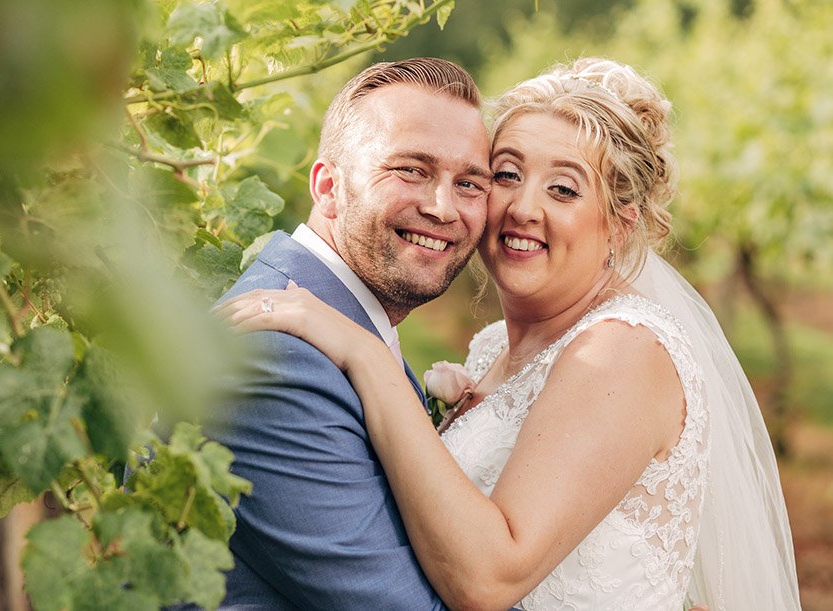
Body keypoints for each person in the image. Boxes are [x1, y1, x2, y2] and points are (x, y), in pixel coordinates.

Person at [219, 58, 801, 609]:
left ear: (620, 225)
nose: (522, 207)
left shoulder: (623, 349)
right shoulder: (493, 349)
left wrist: (368, 359)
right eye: (506, 175)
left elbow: (489, 578)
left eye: (564, 189)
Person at [206, 57, 491, 608]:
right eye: (411, 169)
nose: (442, 207)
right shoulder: (272, 361)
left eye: (470, 182)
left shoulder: (349, 330)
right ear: (329, 186)